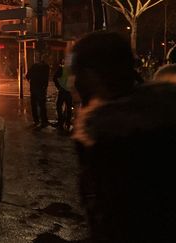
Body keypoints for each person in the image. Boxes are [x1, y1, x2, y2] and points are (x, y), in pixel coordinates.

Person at [70, 31, 176, 243]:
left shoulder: (113, 139)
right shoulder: (157, 117)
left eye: (75, 72)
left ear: (92, 76)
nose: (72, 82)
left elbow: (120, 225)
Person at [26, 55, 50, 128]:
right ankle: (44, 121)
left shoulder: (34, 66)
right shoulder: (46, 67)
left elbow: (27, 76)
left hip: (34, 88)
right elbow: (46, 78)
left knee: (34, 106)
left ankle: (36, 120)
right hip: (42, 89)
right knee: (42, 106)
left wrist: (31, 82)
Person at [52, 60, 73, 132]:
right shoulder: (72, 70)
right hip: (69, 91)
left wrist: (58, 87)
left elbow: (54, 78)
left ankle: (60, 121)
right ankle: (67, 122)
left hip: (62, 91)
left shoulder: (61, 69)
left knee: (59, 106)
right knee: (69, 107)